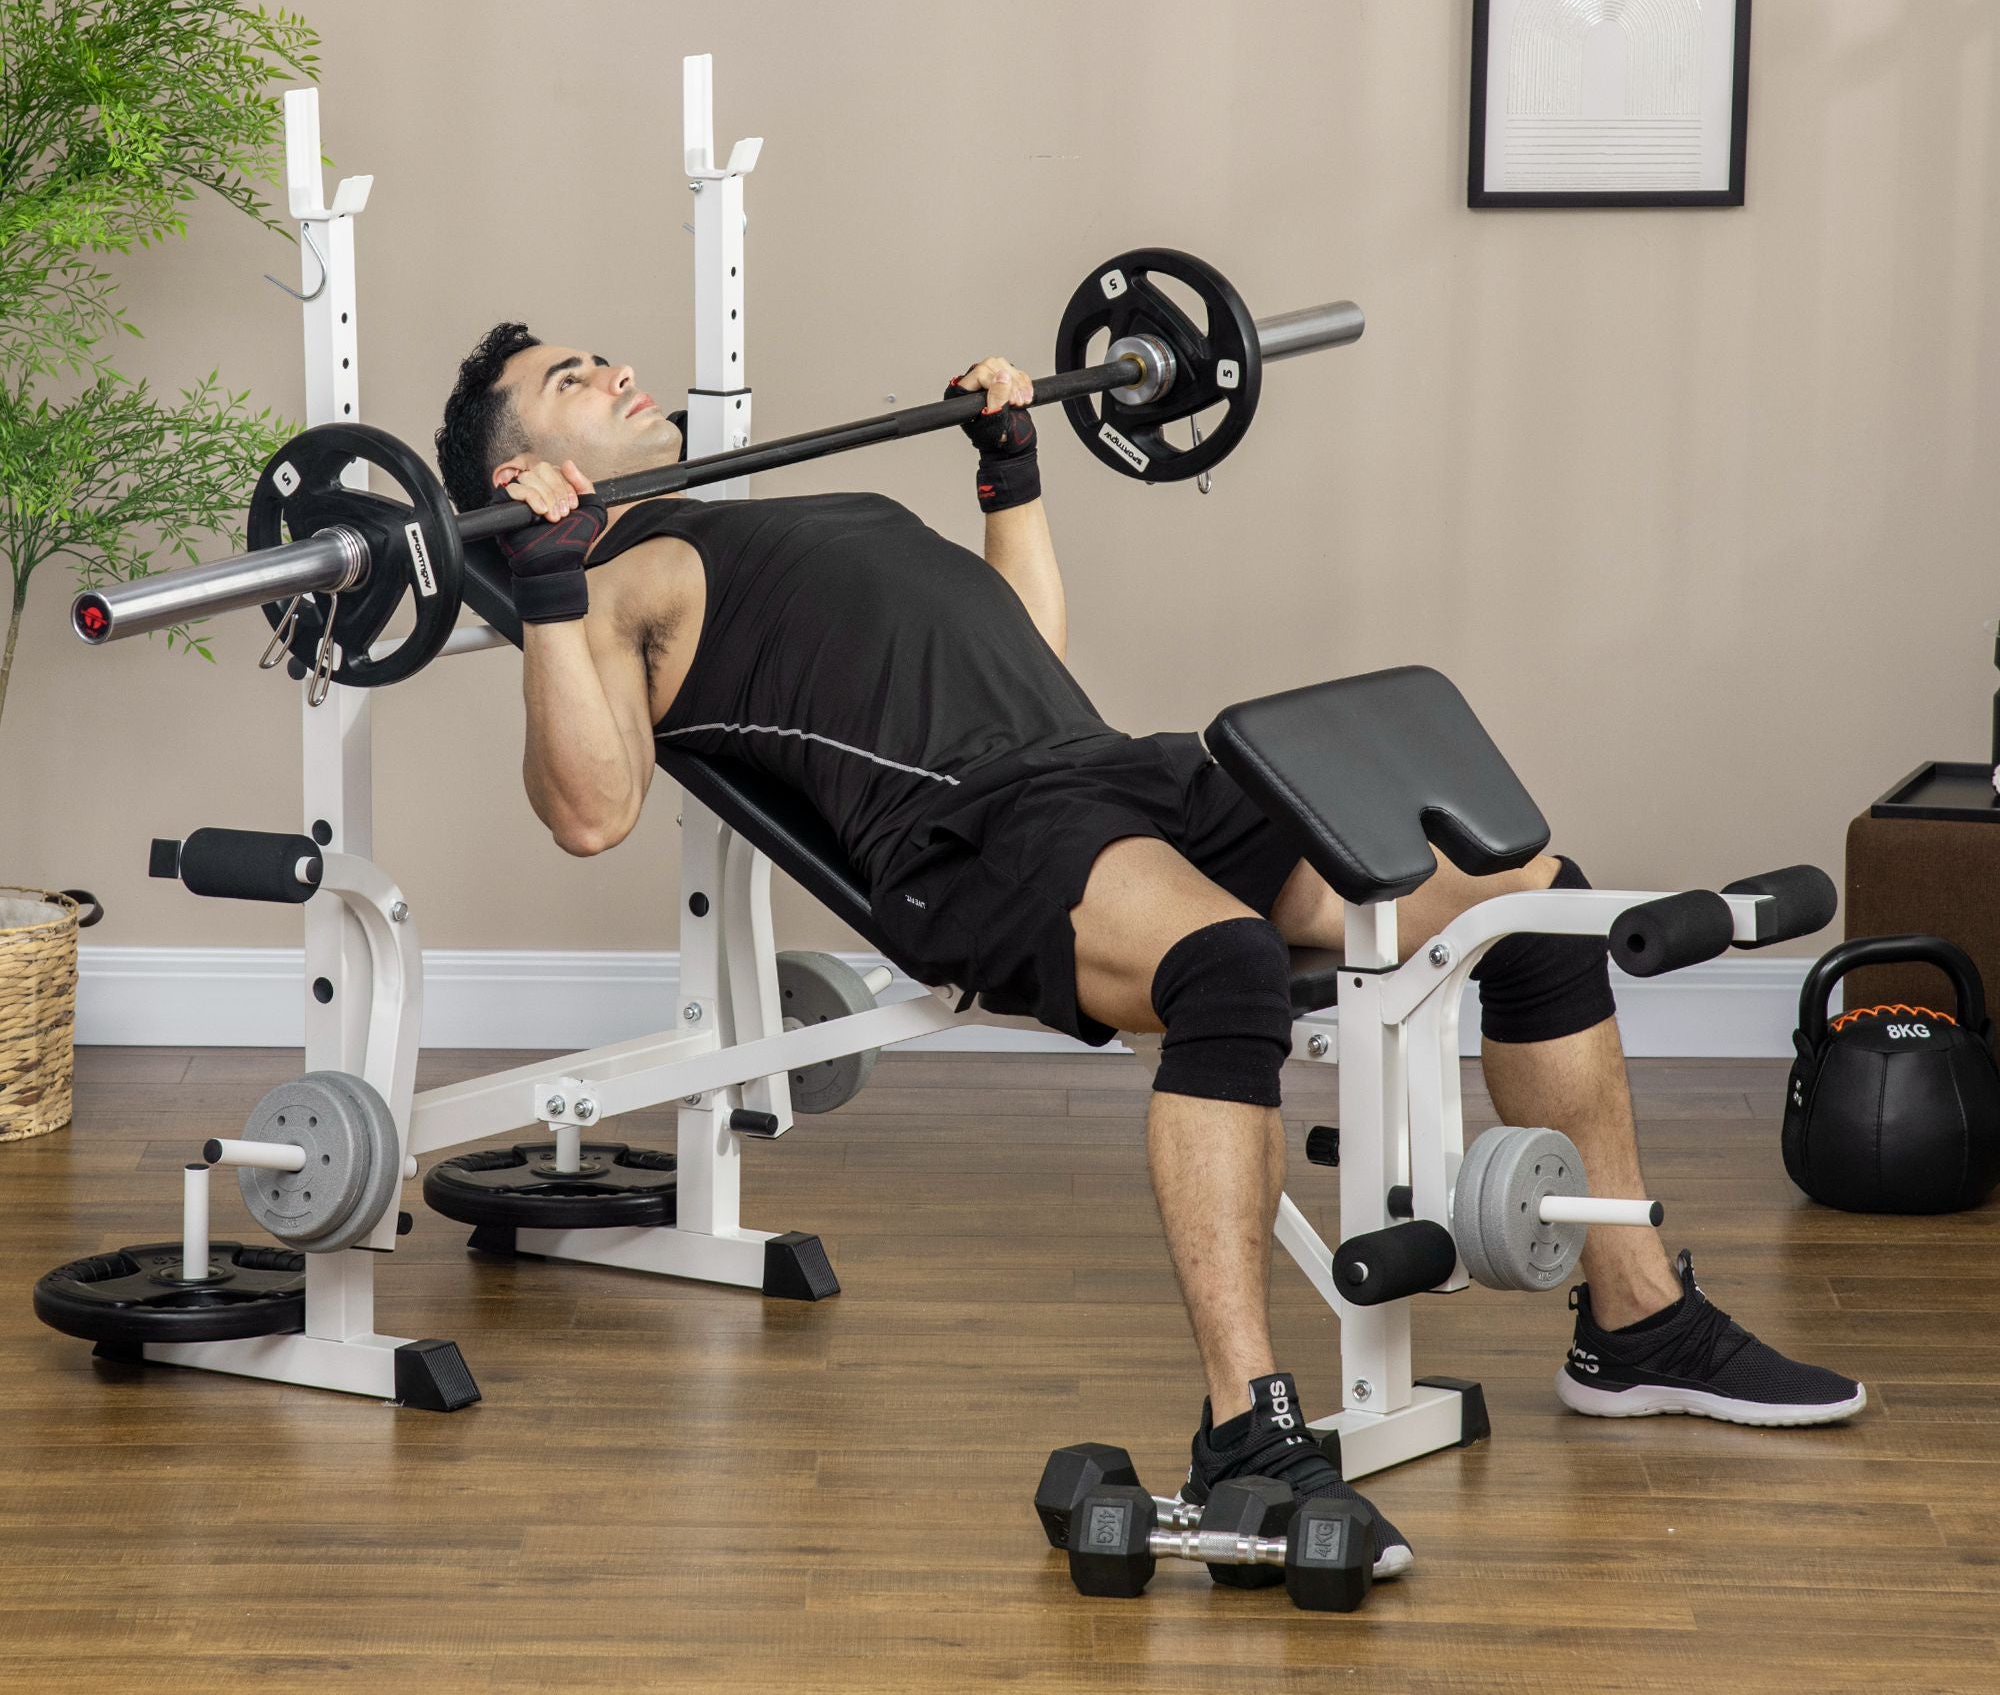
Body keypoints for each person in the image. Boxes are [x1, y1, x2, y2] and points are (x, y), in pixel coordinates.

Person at [435, 321, 1865, 1581]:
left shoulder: (796, 509)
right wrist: (551, 588)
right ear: (522, 477)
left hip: (1113, 764)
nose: (619, 369)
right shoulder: (622, 583)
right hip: (979, 840)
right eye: (572, 377)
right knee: (1226, 971)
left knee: (1522, 894)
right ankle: (1247, 1421)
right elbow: (592, 811)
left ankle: (1637, 1324)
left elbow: (1030, 645)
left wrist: (1012, 476)